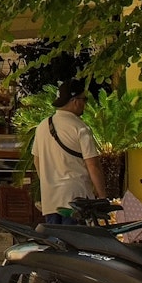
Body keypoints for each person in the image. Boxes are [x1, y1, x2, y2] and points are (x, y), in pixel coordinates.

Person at [31, 79, 106, 224]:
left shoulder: (42, 126)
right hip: (77, 199)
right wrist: (102, 197)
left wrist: (49, 183)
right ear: (75, 101)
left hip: (51, 199)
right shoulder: (80, 128)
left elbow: (37, 161)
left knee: (56, 243)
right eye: (84, 99)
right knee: (75, 243)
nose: (85, 104)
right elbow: (93, 166)